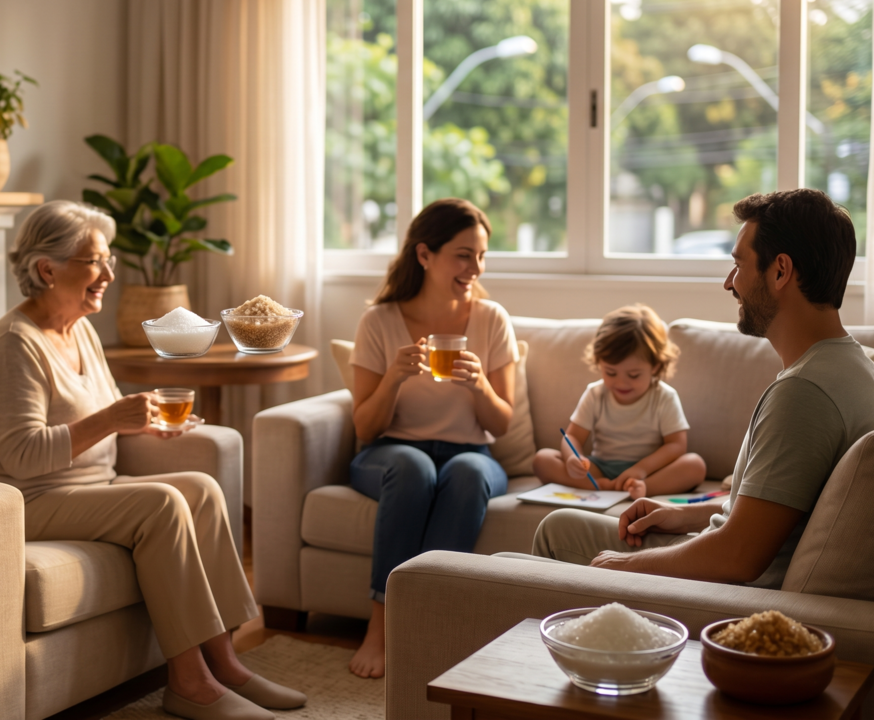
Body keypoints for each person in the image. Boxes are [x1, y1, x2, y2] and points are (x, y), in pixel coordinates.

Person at [0, 201, 304, 720]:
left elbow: (102, 417)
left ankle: (226, 664)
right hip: (22, 500)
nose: (108, 274)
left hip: (87, 486)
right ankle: (189, 684)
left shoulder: (79, 329)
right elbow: (22, 455)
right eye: (95, 261)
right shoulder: (15, 344)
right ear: (47, 269)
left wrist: (148, 423)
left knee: (201, 489)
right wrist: (113, 418)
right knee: (162, 504)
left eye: (108, 259)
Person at [530, 188, 874, 588]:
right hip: (721, 557)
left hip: (724, 595)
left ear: (780, 271)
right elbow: (780, 513)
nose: (729, 283)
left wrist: (624, 567)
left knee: (527, 556)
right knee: (559, 527)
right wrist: (683, 515)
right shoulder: (857, 365)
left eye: (739, 265)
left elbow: (738, 557)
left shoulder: (804, 394)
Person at [347, 198, 518, 678]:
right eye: (463, 254)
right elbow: (364, 428)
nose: (475, 268)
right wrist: (393, 379)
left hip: (472, 451)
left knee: (465, 472)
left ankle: (427, 627)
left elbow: (500, 424)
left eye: (481, 256)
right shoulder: (378, 322)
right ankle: (380, 628)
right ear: (425, 255)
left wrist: (479, 383)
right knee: (414, 467)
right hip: (391, 453)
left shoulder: (492, 319)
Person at [533, 304, 706, 499]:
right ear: (599, 362)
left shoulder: (664, 397)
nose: (621, 382)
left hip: (648, 472)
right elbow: (572, 436)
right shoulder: (595, 394)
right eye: (610, 372)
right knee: (543, 459)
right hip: (599, 468)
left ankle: (641, 489)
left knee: (695, 465)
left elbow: (676, 445)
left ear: (656, 366)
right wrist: (573, 458)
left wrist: (640, 470)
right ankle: (598, 486)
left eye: (633, 375)